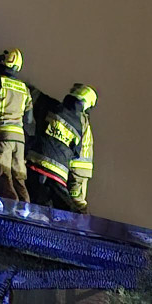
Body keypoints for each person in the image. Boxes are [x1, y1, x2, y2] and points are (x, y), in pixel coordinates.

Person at [0, 48, 34, 202]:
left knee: (4, 176)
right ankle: (25, 210)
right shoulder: (25, 89)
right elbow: (29, 119)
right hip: (20, 140)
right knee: (19, 178)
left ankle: (11, 212)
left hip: (2, 137)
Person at [25, 91, 83, 210]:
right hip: (58, 171)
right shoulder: (78, 125)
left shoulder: (52, 107)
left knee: (30, 195)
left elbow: (34, 116)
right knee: (63, 205)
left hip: (37, 160)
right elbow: (76, 153)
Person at [65, 83, 97, 213]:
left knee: (77, 204)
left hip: (77, 169)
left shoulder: (78, 119)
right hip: (79, 169)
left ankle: (81, 230)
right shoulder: (83, 119)